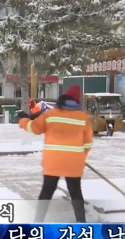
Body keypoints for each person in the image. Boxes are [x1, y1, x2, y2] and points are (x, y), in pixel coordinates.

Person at [17, 85, 93, 223]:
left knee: (46, 192)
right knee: (76, 193)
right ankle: (82, 224)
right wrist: (80, 155)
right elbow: (88, 143)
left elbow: (34, 128)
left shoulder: (51, 115)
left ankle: (38, 222)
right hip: (74, 163)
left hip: (53, 161)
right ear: (77, 101)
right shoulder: (83, 118)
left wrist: (22, 121)